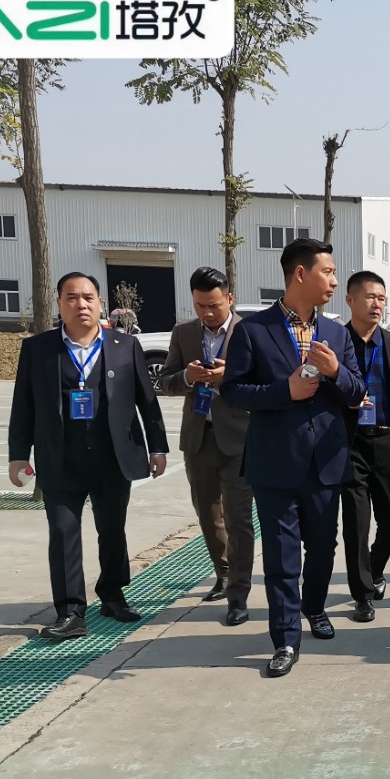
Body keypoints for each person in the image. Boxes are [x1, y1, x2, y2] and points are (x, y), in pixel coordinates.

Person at [219, 238, 364, 677]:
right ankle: (285, 639)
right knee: (282, 557)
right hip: (275, 464)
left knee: (322, 548)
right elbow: (233, 391)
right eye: (328, 272)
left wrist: (336, 371)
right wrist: (286, 391)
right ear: (301, 273)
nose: (335, 281)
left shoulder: (337, 334)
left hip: (325, 463)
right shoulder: (253, 331)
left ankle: (314, 606)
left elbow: (357, 391)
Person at [8, 271, 170, 640]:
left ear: (100, 304)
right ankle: (70, 612)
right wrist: (18, 455)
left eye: (87, 297)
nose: (80, 304)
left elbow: (147, 402)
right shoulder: (38, 349)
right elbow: (23, 406)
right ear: (59, 304)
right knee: (62, 532)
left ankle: (112, 596)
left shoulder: (125, 345)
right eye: (71, 297)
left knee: (112, 530)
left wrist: (157, 447)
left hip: (113, 457)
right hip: (60, 458)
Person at [158, 266, 252, 625]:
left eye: (214, 305)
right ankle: (224, 574)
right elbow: (166, 381)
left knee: (239, 517)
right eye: (200, 306)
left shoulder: (249, 332)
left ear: (229, 298)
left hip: (240, 438)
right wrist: (188, 376)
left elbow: (266, 378)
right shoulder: (183, 333)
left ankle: (238, 594)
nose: (207, 313)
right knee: (208, 513)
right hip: (199, 438)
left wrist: (230, 375)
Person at [340, 270, 390, 623]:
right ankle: (363, 595)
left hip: (389, 440)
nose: (377, 304)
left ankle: (374, 569)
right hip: (350, 444)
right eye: (370, 297)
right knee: (356, 523)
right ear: (350, 300)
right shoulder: (334, 343)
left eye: (382, 298)